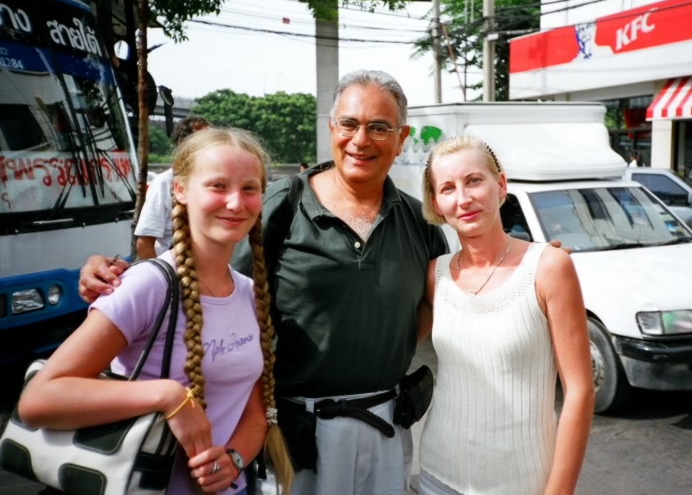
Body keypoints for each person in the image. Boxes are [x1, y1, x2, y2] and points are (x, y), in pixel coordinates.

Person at [77, 70, 448, 495]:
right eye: (349, 124)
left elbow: (437, 301)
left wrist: (383, 343)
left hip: (384, 425)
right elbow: (206, 278)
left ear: (401, 139)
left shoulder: (420, 222)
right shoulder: (280, 206)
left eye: (379, 127)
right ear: (331, 129)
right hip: (292, 431)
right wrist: (113, 272)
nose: (361, 140)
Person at [20, 127, 292, 494]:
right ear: (179, 191)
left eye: (249, 188)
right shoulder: (148, 285)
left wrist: (234, 460)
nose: (235, 203)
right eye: (217, 186)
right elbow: (39, 400)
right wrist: (170, 397)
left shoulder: (250, 293)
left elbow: (256, 414)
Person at [416, 136, 595, 495]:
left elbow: (580, 390)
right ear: (436, 203)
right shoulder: (434, 275)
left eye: (474, 181)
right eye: (448, 188)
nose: (463, 198)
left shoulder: (549, 268)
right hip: (436, 476)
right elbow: (390, 343)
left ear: (500, 185)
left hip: (522, 483)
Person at [135, 115, 210, 260]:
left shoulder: (214, 181)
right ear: (182, 146)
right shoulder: (164, 182)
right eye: (203, 141)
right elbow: (144, 244)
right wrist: (164, 280)